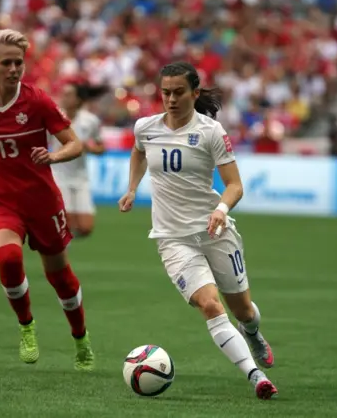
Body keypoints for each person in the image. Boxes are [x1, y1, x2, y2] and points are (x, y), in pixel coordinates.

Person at [118, 61, 278, 400]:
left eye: (178, 92)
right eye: (165, 93)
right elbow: (138, 152)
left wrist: (221, 209)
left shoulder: (211, 132)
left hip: (214, 231)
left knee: (243, 311)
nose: (171, 99)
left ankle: (252, 332)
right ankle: (255, 376)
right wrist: (132, 188)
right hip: (172, 239)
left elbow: (234, 185)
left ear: (195, 92)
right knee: (210, 305)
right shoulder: (145, 127)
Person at [0, 29, 95, 370]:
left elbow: (74, 143)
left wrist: (53, 157)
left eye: (19, 63)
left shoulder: (37, 101)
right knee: (9, 258)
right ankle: (27, 327)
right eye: (7, 63)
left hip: (42, 201)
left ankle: (80, 338)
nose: (14, 69)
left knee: (61, 278)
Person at [50, 82, 108, 237]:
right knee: (65, 222)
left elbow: (101, 147)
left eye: (69, 95)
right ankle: (60, 250)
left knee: (85, 228)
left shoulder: (90, 120)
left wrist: (89, 149)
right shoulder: (54, 117)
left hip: (81, 177)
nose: (64, 97)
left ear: (78, 100)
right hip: (58, 175)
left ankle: (57, 236)